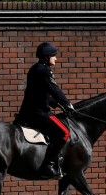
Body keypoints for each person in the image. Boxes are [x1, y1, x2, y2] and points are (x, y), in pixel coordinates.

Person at [17, 42, 74, 179]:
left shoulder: (36, 68)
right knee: (64, 133)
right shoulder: (43, 70)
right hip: (39, 113)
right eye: (54, 56)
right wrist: (67, 104)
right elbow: (54, 90)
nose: (56, 58)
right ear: (46, 57)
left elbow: (41, 93)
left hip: (30, 110)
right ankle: (48, 165)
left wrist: (57, 104)